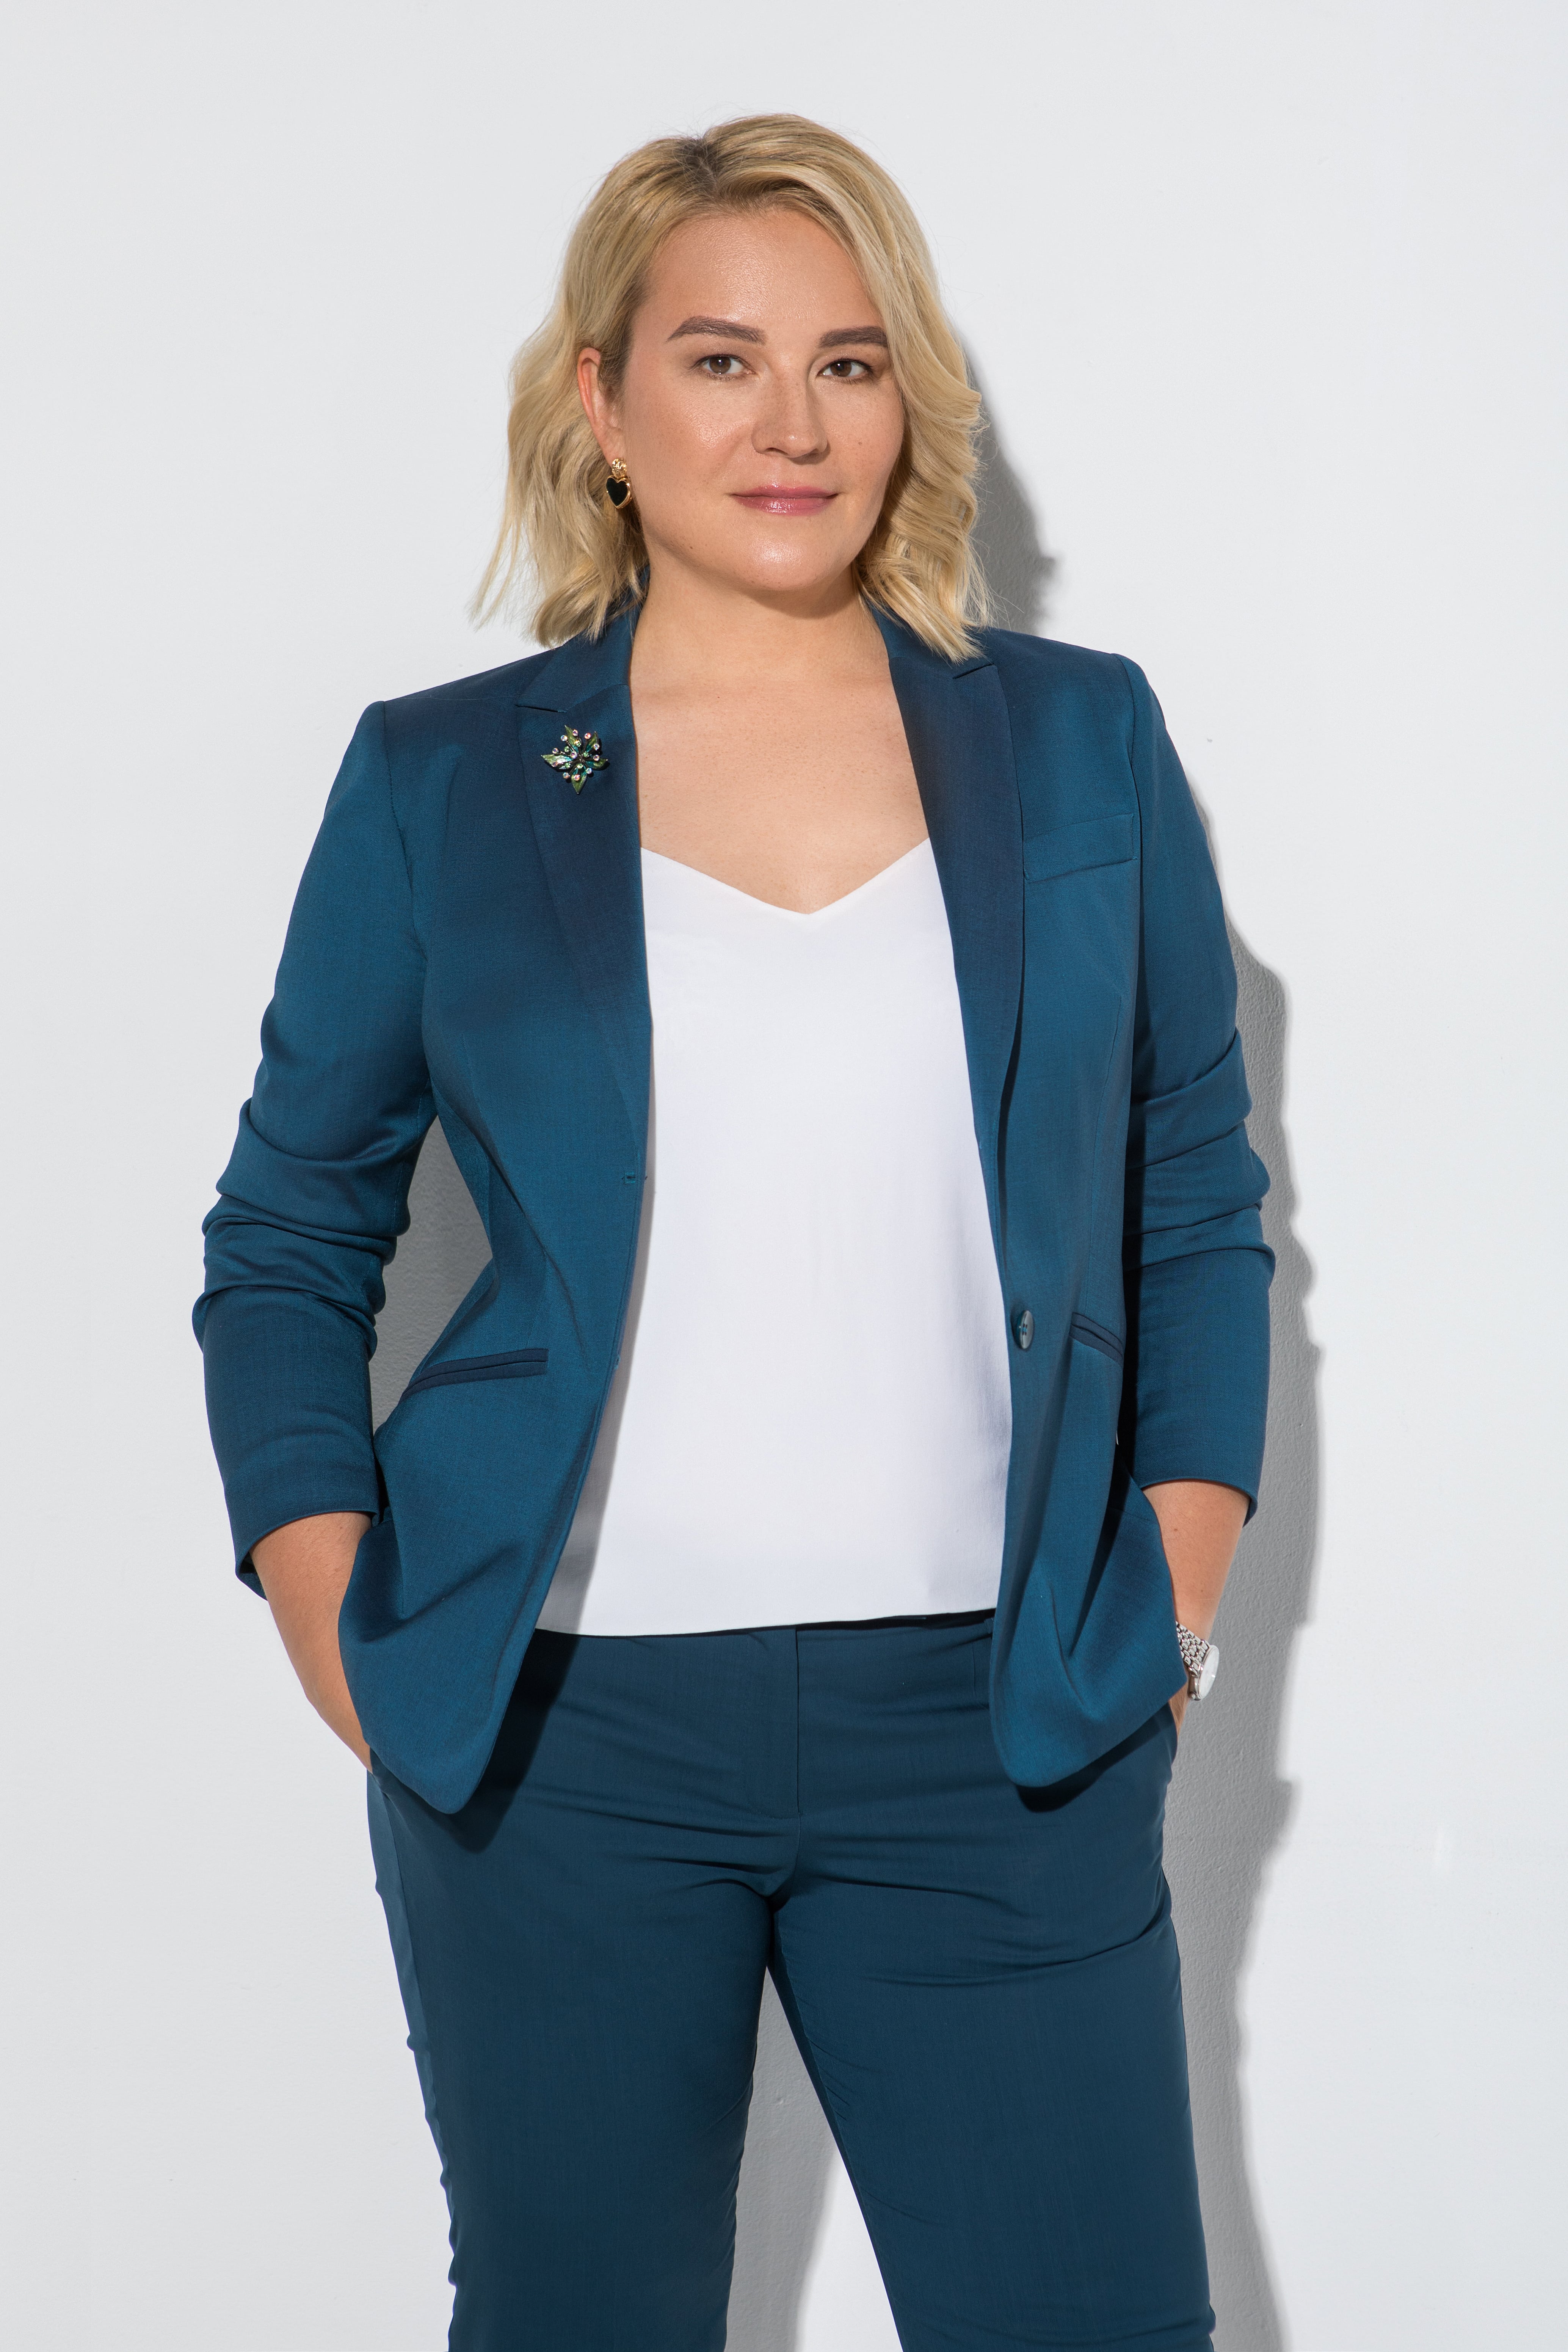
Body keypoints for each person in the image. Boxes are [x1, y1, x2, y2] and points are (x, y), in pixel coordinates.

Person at [196, 113, 1271, 2352]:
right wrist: (330, 1613)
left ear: (906, 399)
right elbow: (288, 1230)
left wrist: (1174, 1572)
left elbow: (1189, 1183)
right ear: (602, 403)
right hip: (556, 1743)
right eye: (720, 360)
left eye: (847, 363)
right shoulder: (446, 780)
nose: (792, 424)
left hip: (1002, 1726)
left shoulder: (1074, 743)